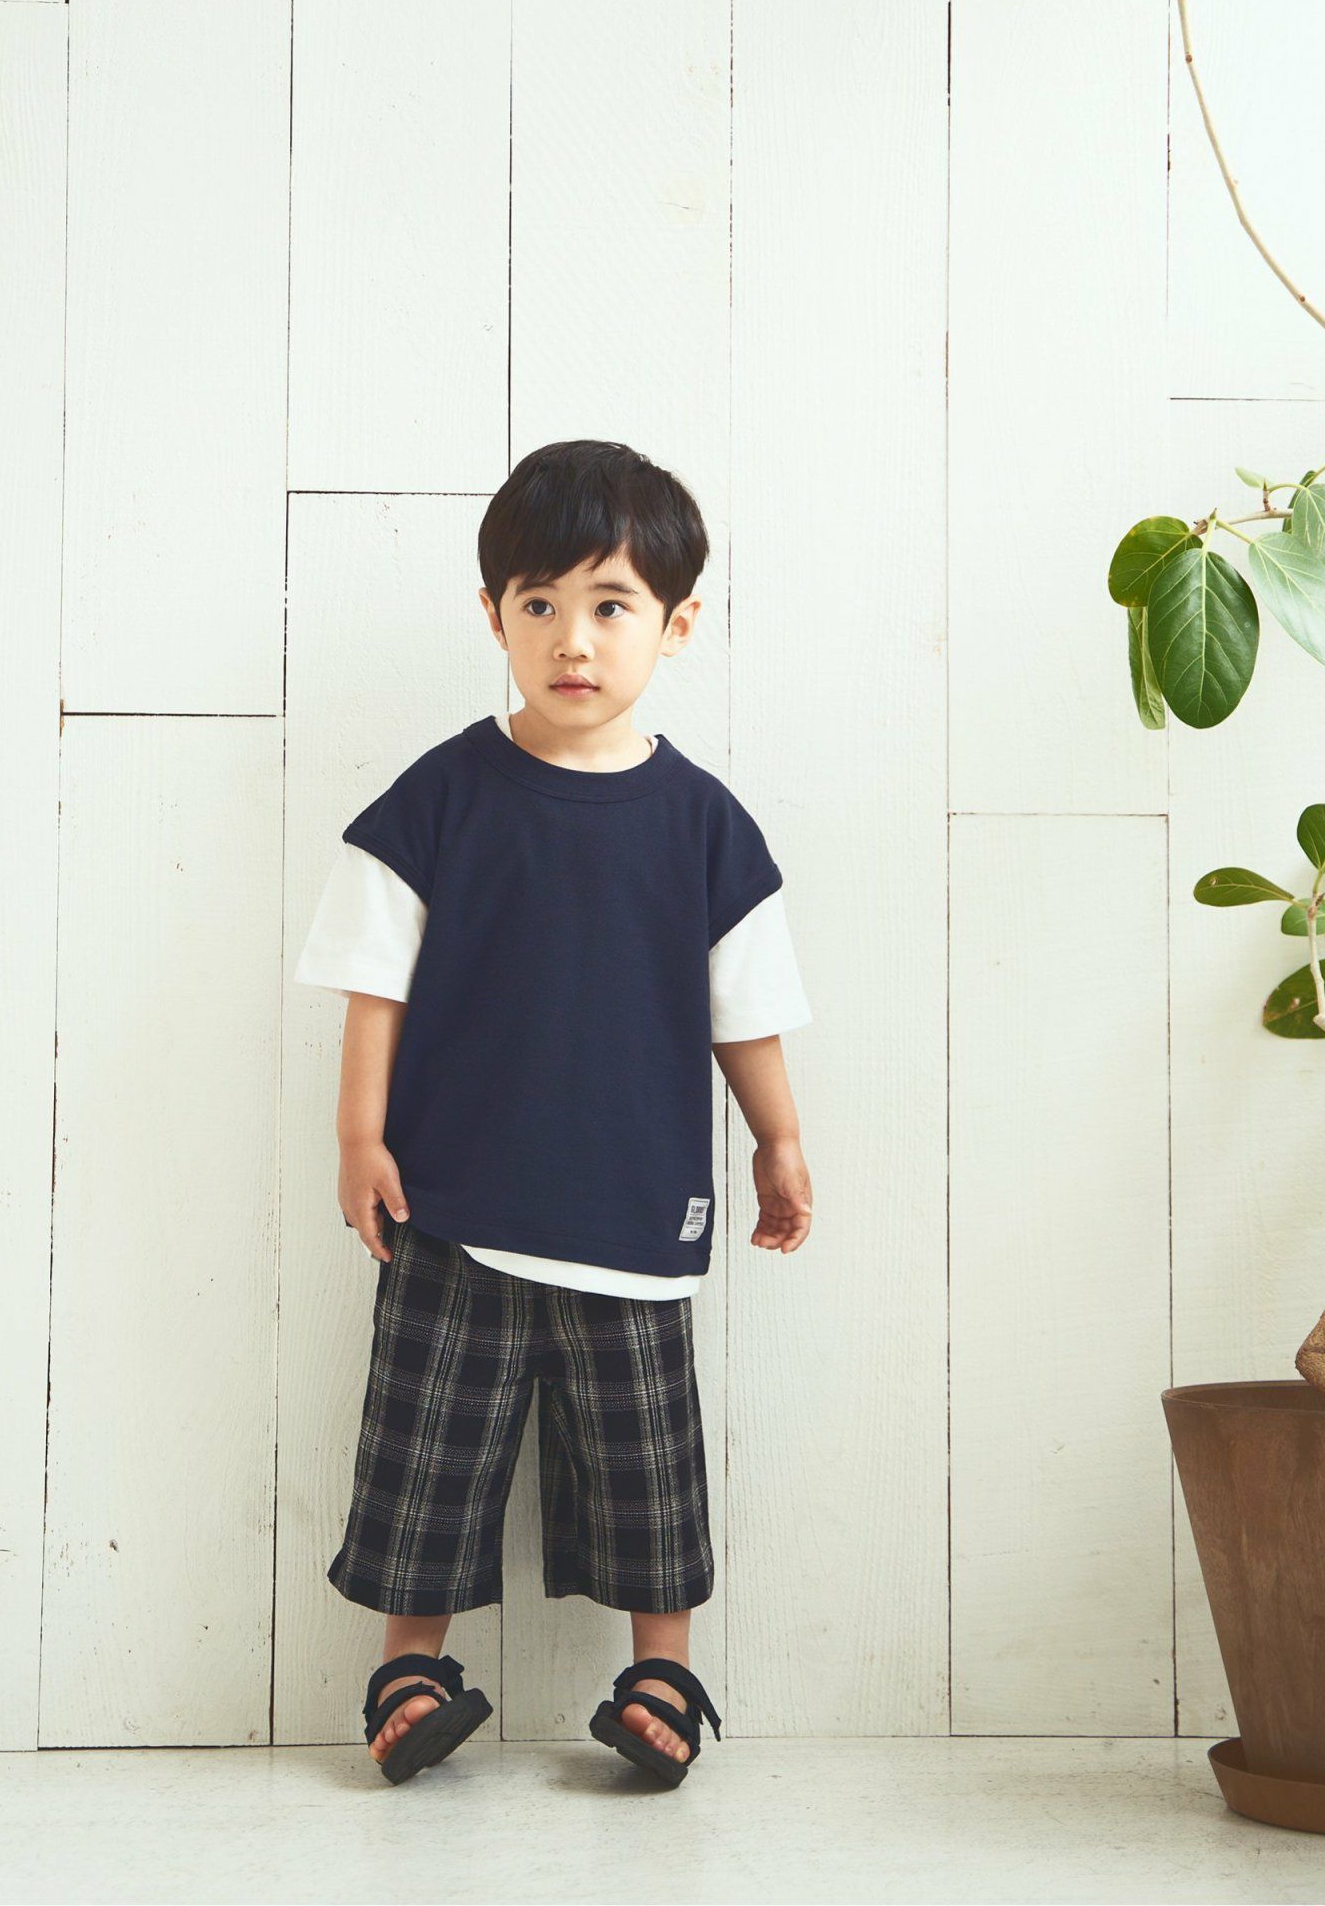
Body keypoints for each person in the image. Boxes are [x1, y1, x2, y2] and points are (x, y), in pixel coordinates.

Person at [293, 437, 814, 1787]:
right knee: (425, 1453)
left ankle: (664, 1673)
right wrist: (358, 1136)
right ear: (495, 616)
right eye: (540, 603)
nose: (572, 639)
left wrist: (779, 1138)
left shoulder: (703, 826)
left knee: (647, 1462)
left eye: (610, 605)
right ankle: (409, 1670)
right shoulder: (443, 798)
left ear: (675, 625)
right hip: (450, 1201)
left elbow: (744, 1010)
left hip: (633, 1211)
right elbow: (374, 981)